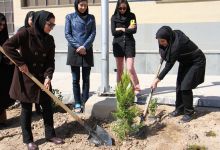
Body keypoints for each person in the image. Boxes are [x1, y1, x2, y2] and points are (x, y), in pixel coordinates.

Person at [3, 10, 64, 150]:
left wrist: (48, 77)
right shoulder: (26, 33)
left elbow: (50, 61)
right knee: (26, 109)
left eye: (53, 25)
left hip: (42, 78)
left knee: (47, 107)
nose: (51, 27)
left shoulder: (49, 39)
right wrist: (20, 63)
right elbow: (7, 47)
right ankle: (28, 140)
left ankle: (50, 134)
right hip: (27, 78)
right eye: (50, 24)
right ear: (42, 21)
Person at [151, 26, 206, 123]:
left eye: (163, 41)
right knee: (179, 85)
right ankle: (180, 108)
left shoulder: (178, 45)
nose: (161, 43)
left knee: (185, 86)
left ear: (168, 38)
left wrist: (157, 79)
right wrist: (164, 55)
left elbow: (169, 65)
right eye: (159, 41)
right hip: (185, 62)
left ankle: (189, 113)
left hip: (196, 61)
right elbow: (166, 51)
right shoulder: (171, 36)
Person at [65, 0, 96, 113]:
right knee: (75, 79)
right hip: (74, 51)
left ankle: (85, 101)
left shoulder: (91, 18)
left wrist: (85, 46)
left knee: (86, 79)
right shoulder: (70, 17)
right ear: (76, 5)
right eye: (81, 5)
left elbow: (93, 33)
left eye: (85, 5)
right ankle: (77, 102)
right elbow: (67, 34)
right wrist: (78, 46)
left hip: (87, 50)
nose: (83, 7)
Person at [111, 0, 141, 100]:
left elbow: (134, 30)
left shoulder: (131, 16)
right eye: (120, 8)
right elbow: (113, 32)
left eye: (124, 8)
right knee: (120, 69)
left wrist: (121, 29)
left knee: (130, 68)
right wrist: (127, 28)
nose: (122, 10)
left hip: (129, 44)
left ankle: (136, 87)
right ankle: (120, 89)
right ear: (117, 8)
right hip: (118, 45)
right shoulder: (114, 17)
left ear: (127, 7)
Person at [18, 11, 43, 115]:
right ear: (27, 19)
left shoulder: (39, 31)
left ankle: (38, 108)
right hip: (25, 65)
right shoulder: (22, 31)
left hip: (37, 64)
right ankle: (27, 112)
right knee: (27, 90)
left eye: (34, 19)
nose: (32, 21)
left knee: (38, 88)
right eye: (30, 19)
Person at [0, 13, 15, 127]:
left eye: (4, 25)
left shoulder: (3, 36)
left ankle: (2, 120)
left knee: (3, 95)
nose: (1, 27)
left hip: (3, 72)